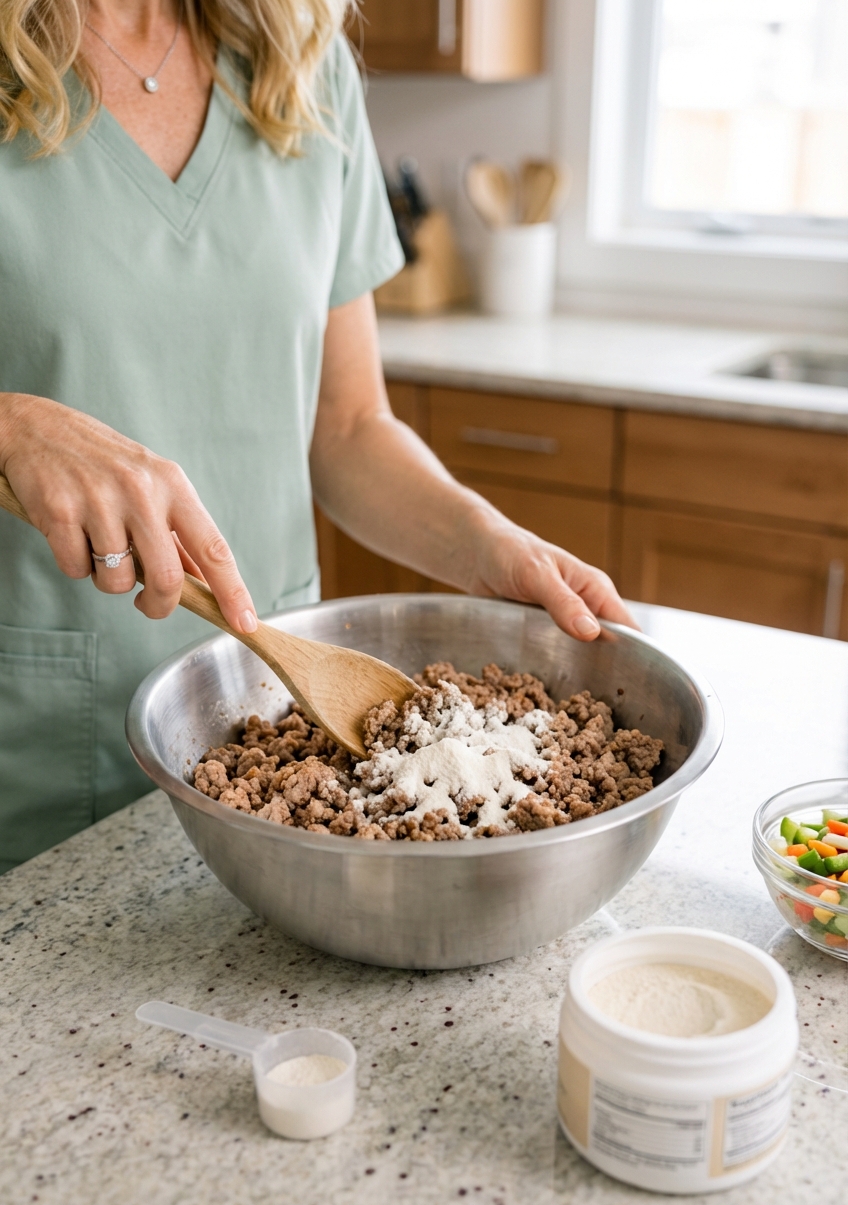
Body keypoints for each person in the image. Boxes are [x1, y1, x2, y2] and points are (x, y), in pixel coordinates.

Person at [0, 0, 636, 871]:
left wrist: (481, 541)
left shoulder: (303, 59)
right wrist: (12, 421)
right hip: (36, 756)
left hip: (275, 729)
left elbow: (346, 426)